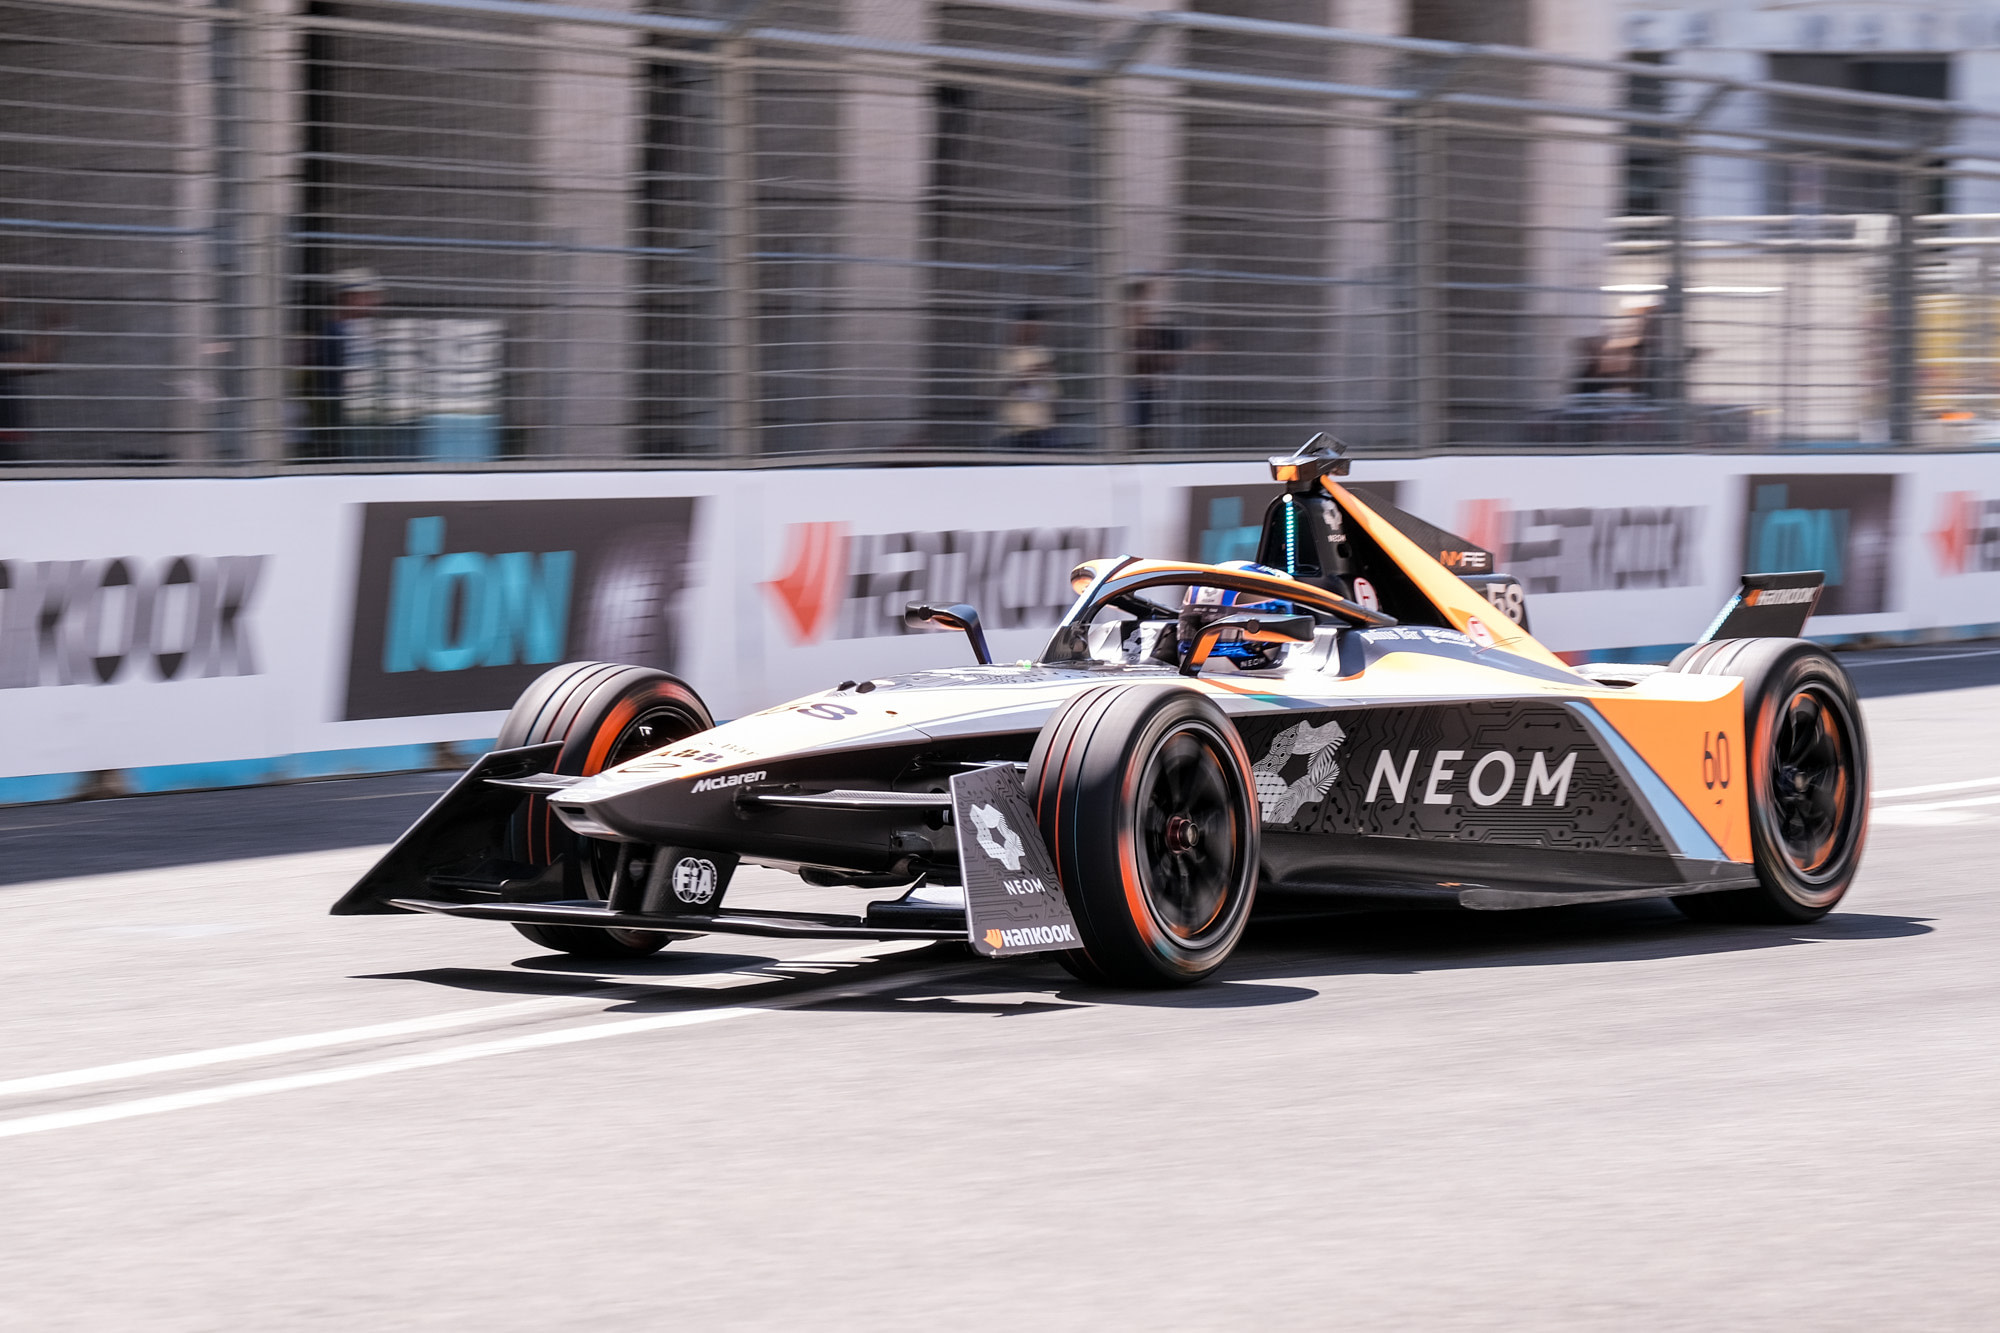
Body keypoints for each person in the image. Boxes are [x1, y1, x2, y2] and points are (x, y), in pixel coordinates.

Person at [0, 286, 62, 463]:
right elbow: (33, 362)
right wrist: (52, 326)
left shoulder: (3, 340)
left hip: (9, 442)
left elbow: (37, 361)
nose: (6, 302)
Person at [1125, 276, 1190, 442]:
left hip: (1145, 390)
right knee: (1137, 431)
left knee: (1145, 432)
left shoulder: (1148, 328)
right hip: (1132, 391)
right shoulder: (1131, 319)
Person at [994, 306, 1059, 449]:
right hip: (1014, 429)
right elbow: (996, 391)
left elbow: (1053, 393)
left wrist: (1040, 378)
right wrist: (1025, 378)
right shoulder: (1006, 356)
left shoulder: (1044, 354)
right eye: (1027, 327)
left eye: (1035, 327)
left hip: (1042, 427)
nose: (1031, 331)